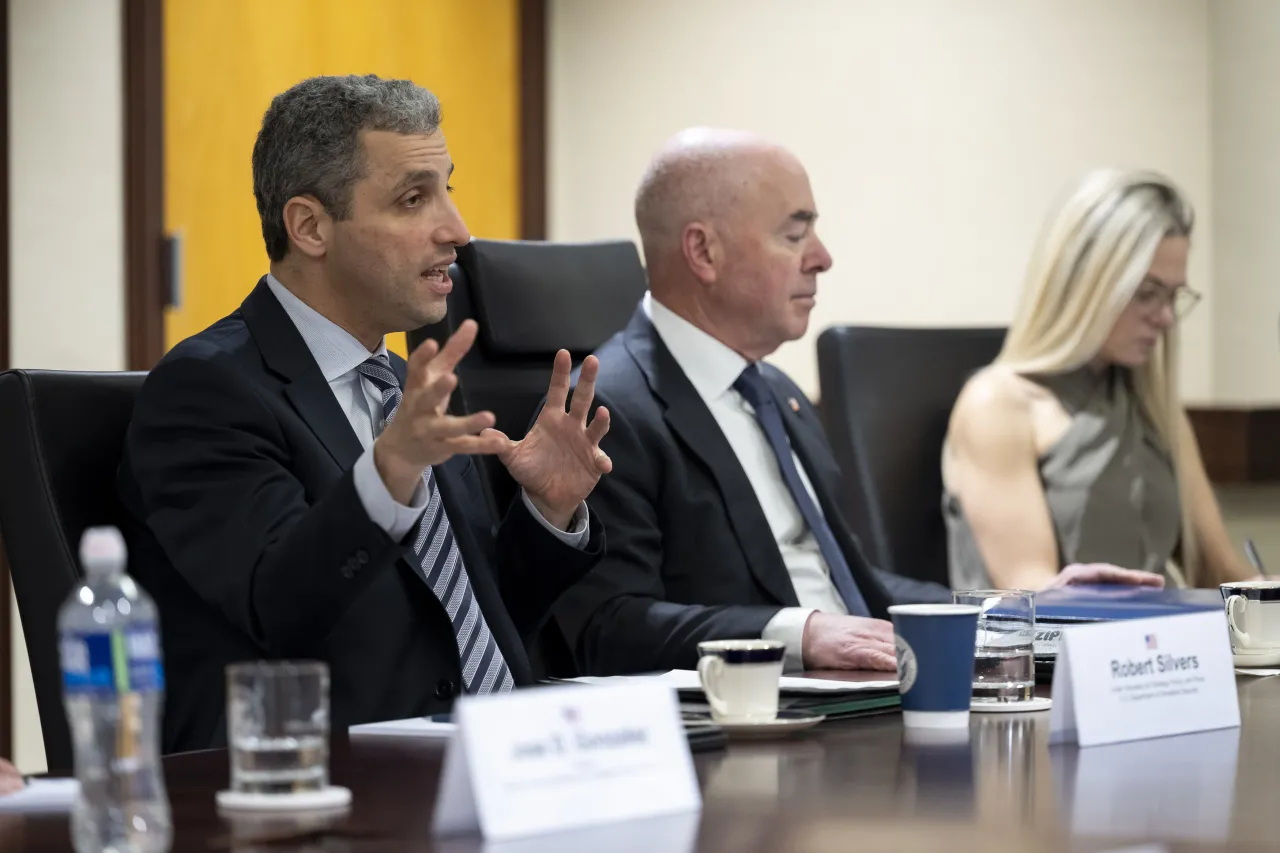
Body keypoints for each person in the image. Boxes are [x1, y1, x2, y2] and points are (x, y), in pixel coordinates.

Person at [117, 75, 611, 753]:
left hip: (497, 765)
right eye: (414, 199)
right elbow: (279, 608)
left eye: (449, 190)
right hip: (331, 783)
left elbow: (460, 623)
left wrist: (548, 514)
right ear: (311, 227)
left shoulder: (411, 382)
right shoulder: (207, 391)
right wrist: (389, 473)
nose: (458, 232)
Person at [552, 128, 952, 678]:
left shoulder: (778, 395)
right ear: (703, 252)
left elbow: (850, 583)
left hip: (870, 689)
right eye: (794, 235)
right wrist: (798, 633)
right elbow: (608, 625)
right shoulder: (605, 409)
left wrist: (1011, 609)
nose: (822, 258)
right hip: (757, 723)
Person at [943, 168, 1255, 592]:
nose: (1165, 317)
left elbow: (1218, 572)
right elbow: (1031, 594)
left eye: (1173, 295)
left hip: (1156, 650)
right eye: (1147, 292)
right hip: (1054, 655)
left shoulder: (1155, 406)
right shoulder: (997, 404)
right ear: (1085, 283)